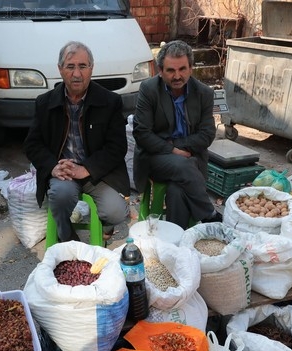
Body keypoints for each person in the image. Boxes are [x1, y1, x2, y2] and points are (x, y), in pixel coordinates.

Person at [24, 41, 130, 242]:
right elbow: (32, 144)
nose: (77, 74)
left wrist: (87, 169)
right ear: (60, 69)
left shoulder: (110, 102)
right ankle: (68, 239)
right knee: (60, 197)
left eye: (83, 66)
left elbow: (117, 147)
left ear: (92, 68)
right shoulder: (45, 102)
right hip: (63, 172)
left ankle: (105, 229)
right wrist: (53, 167)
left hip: (97, 173)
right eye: (70, 66)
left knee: (115, 212)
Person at [132, 40, 220, 229]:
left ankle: (178, 240)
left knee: (177, 189)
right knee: (184, 164)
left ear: (191, 68)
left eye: (182, 69)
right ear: (160, 70)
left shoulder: (204, 93)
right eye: (171, 70)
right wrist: (172, 149)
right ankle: (209, 214)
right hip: (157, 158)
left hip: (191, 160)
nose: (177, 76)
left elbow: (207, 135)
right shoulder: (149, 90)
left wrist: (179, 145)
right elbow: (142, 134)